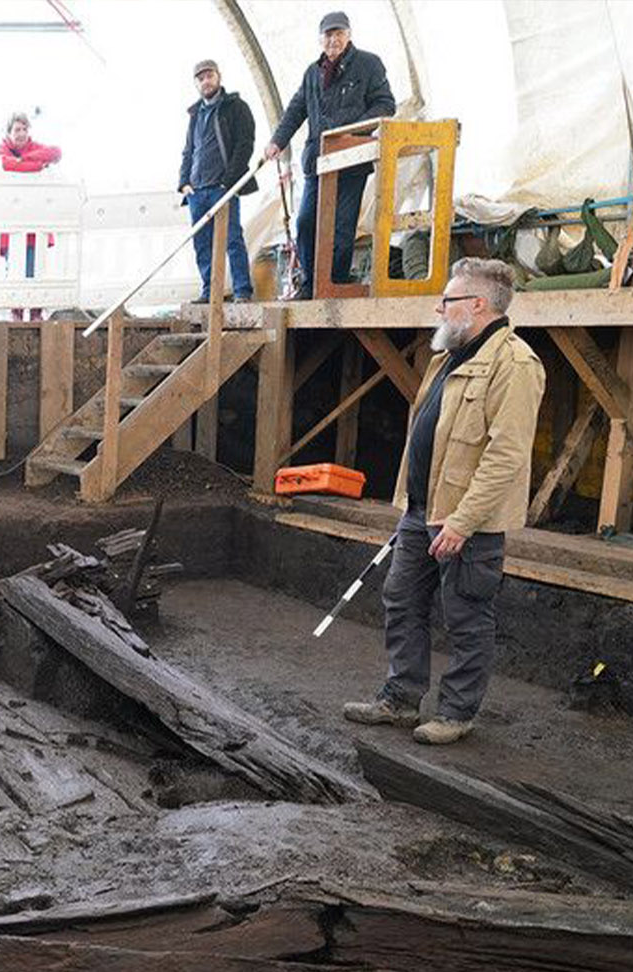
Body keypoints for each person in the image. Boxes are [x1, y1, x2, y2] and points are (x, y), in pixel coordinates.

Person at [342, 259, 544, 745]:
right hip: (420, 511)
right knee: (401, 599)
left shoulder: (514, 365)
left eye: (448, 300)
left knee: (467, 614)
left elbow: (506, 455)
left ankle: (456, 713)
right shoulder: (447, 357)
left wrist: (463, 521)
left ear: (477, 305)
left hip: (466, 521)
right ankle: (401, 699)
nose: (439, 308)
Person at [265, 11, 396, 299]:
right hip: (317, 160)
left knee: (342, 225)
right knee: (305, 222)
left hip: (351, 158)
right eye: (328, 35)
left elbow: (386, 104)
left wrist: (353, 132)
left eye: (338, 33)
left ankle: (334, 283)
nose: (333, 40)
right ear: (320, 39)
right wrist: (278, 140)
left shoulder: (368, 64)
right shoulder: (313, 72)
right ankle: (311, 283)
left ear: (349, 35)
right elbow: (297, 108)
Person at [180, 60, 258, 302]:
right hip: (197, 190)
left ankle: (242, 291)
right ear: (196, 83)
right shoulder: (195, 114)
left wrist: (229, 182)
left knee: (232, 239)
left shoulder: (235, 107)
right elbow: (189, 150)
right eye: (201, 78)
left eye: (209, 76)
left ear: (219, 77)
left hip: (222, 188)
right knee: (202, 244)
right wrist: (184, 182)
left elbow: (245, 144)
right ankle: (209, 291)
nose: (206, 81)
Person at [0, 111, 62, 299]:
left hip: (35, 218)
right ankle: (16, 311)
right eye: (17, 129)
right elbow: (5, 164)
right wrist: (38, 164)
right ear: (9, 132)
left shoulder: (36, 147)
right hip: (12, 219)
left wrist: (22, 160)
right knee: (14, 270)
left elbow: (56, 152)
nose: (21, 133)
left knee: (35, 270)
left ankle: (35, 310)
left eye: (25, 129)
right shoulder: (1, 148)